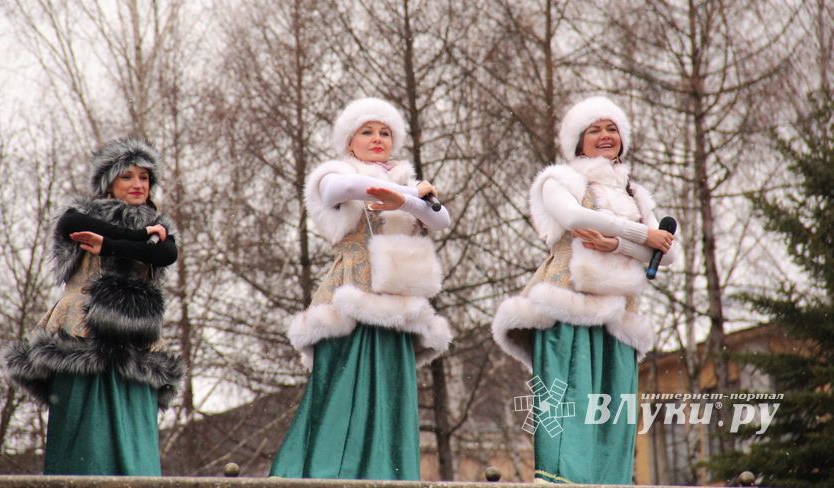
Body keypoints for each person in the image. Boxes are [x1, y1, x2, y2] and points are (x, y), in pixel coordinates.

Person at [492, 96, 679, 484]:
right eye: (594, 130)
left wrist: (618, 244)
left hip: (618, 316)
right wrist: (640, 234)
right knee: (567, 403)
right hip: (567, 306)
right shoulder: (560, 180)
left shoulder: (635, 194)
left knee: (611, 412)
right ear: (579, 142)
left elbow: (671, 253)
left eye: (611, 128)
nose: (605, 135)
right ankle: (559, 481)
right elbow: (574, 217)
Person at [271, 97, 452, 480]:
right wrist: (407, 195)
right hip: (350, 297)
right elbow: (346, 187)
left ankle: (386, 470)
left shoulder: (406, 179)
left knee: (390, 390)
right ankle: (327, 471)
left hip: (398, 302)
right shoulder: (331, 173)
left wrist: (407, 196)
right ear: (349, 140)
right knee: (345, 388)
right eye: (366, 132)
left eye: (385, 132)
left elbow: (441, 219)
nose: (376, 139)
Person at [6, 137, 183, 476]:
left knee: (135, 445)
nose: (137, 184)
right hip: (82, 335)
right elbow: (71, 227)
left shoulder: (161, 229)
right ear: (108, 182)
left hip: (136, 343)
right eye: (127, 176)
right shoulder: (81, 215)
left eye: (144, 177)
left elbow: (165, 254)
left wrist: (110, 245)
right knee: (85, 444)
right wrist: (139, 235)